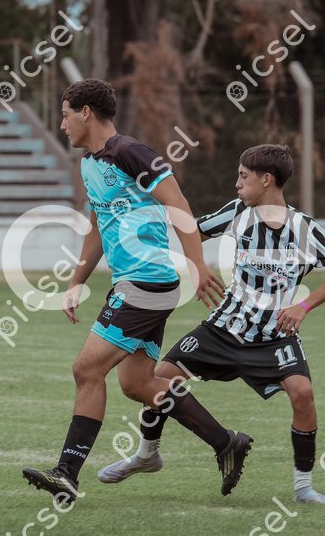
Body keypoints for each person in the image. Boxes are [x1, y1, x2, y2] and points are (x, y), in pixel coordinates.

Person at [21, 79, 251, 505]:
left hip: (147, 281)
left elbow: (178, 204)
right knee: (137, 382)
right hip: (133, 282)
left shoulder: (131, 152)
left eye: (66, 114)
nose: (62, 123)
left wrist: (198, 264)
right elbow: (97, 224)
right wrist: (76, 280)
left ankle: (67, 473)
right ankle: (226, 443)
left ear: (86, 112)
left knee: (86, 369)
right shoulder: (90, 163)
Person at [97, 144, 325, 505]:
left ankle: (303, 487)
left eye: (243, 176)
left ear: (267, 180)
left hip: (273, 337)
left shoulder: (303, 228)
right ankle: (146, 455)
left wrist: (303, 306)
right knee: (161, 377)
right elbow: (191, 231)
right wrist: (194, 263)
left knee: (303, 394)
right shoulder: (237, 212)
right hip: (222, 329)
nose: (237, 184)